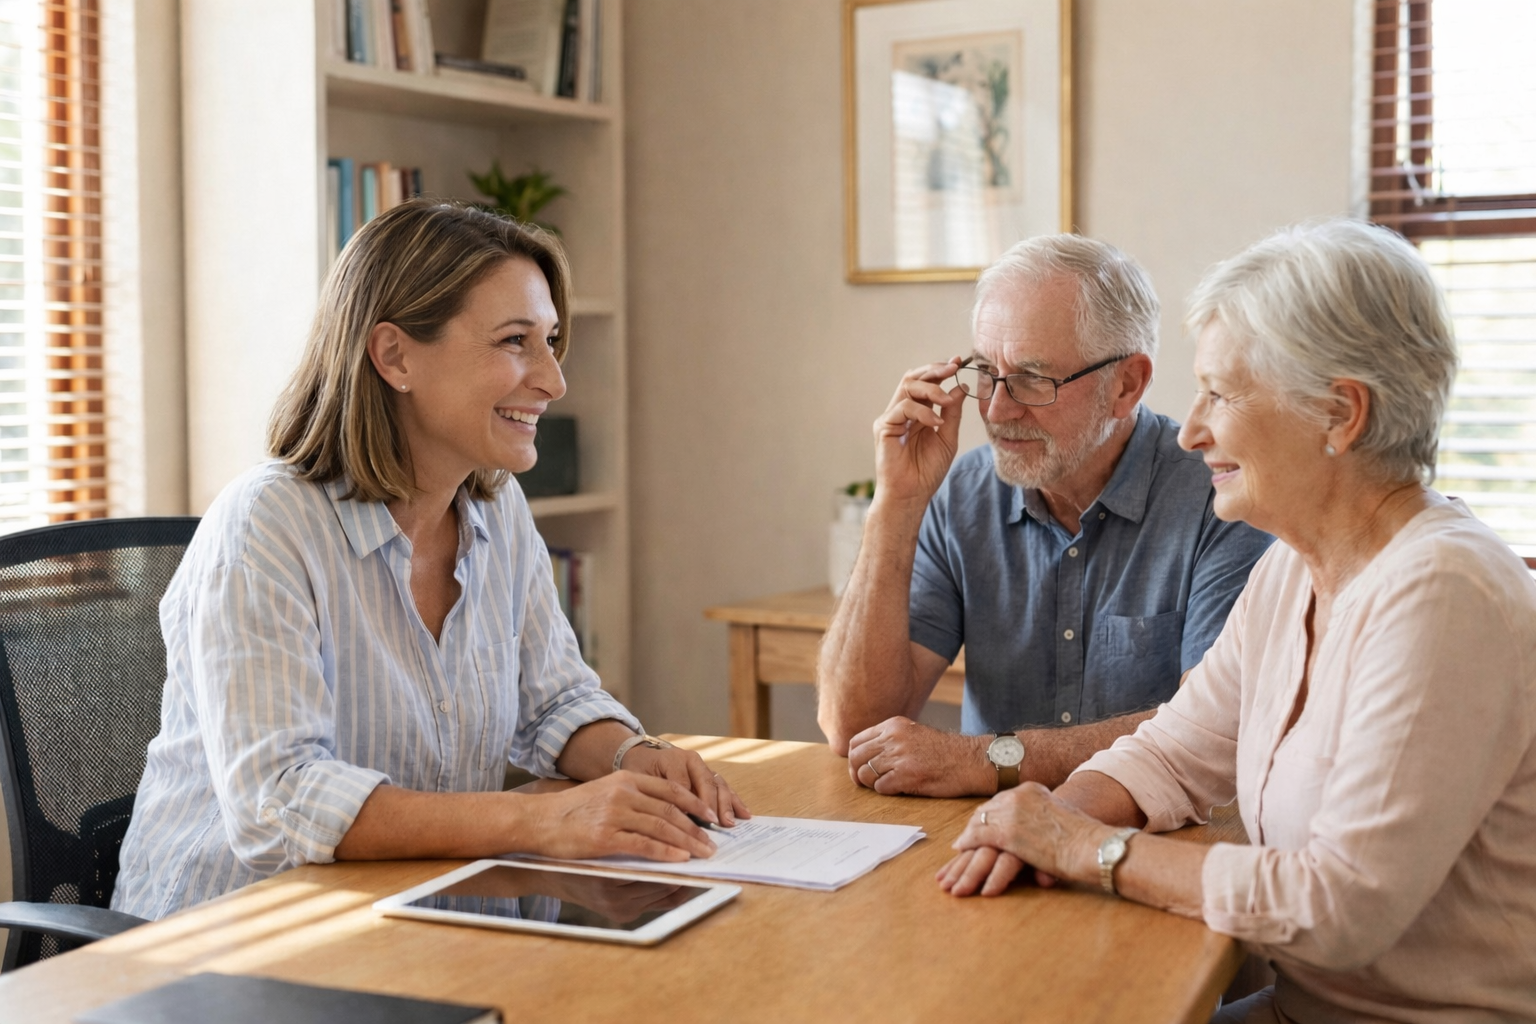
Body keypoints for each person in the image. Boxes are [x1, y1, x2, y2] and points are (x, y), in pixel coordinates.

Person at [938, 220, 1536, 1022]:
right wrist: (1043, 820)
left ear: (1339, 413)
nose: (1191, 430)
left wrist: (1086, 849)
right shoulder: (1295, 567)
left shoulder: (1445, 592)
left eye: (1220, 392)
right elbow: (1173, 753)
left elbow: (1337, 908)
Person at [113, 200, 747, 920]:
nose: (552, 380)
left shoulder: (495, 507)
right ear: (394, 356)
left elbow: (555, 701)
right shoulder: (266, 525)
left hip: (421, 916)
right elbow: (278, 800)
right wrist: (538, 820)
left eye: (551, 341)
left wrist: (635, 757)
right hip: (238, 943)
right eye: (515, 341)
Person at [818, 235, 1272, 797]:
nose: (998, 410)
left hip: (1153, 840)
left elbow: (1212, 731)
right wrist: (896, 504)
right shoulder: (964, 490)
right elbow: (855, 728)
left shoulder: (1220, 500)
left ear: (1126, 384)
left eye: (1034, 378)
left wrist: (986, 759)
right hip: (983, 846)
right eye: (986, 371)